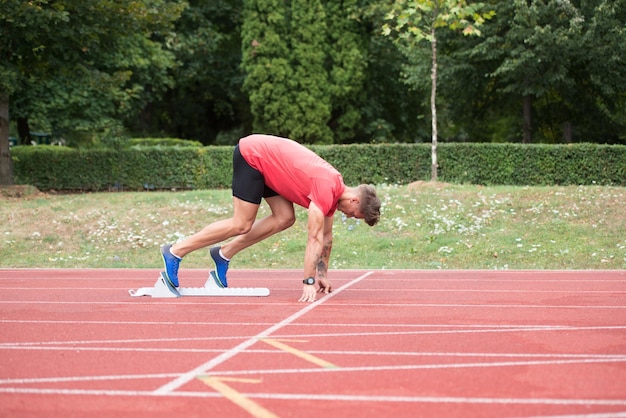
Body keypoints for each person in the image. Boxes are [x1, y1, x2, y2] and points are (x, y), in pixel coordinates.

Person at [160, 134, 381, 302]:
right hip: (253, 155)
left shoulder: (335, 195)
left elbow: (326, 236)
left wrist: (322, 274)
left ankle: (223, 254)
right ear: (354, 201)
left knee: (285, 217)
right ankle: (175, 252)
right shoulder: (327, 188)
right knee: (241, 223)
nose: (351, 217)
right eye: (355, 215)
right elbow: (313, 237)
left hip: (269, 166)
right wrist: (308, 281)